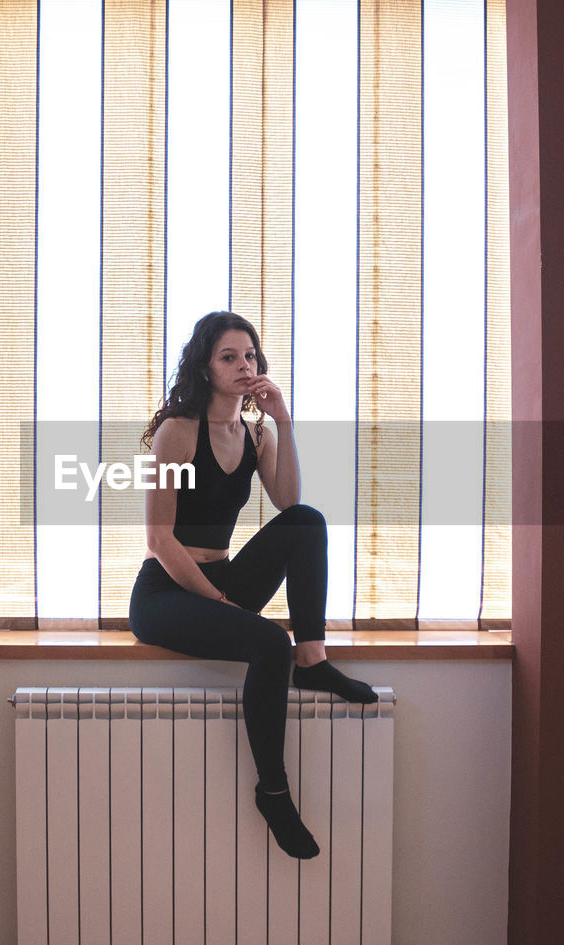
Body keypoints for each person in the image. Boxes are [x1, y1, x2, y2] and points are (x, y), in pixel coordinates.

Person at [128, 311, 376, 860]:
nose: (244, 366)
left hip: (223, 579)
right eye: (229, 357)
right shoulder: (176, 431)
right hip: (166, 592)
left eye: (250, 356)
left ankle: (312, 659)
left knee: (307, 520)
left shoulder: (253, 434)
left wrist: (283, 421)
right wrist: (219, 602)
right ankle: (273, 791)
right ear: (205, 366)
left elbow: (287, 502)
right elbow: (159, 539)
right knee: (267, 642)